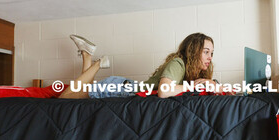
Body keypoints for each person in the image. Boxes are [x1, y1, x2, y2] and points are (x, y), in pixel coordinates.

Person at [59, 32, 224, 99]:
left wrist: (216, 85)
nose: (210, 57)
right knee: (65, 99)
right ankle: (98, 63)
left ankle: (86, 55)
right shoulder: (179, 63)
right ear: (194, 52)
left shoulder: (190, 70)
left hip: (124, 87)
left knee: (79, 95)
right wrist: (192, 85)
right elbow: (164, 91)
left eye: (212, 53)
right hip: (118, 88)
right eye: (206, 52)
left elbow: (197, 87)